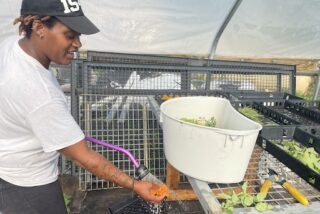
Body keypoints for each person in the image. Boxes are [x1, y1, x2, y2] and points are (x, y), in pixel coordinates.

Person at [0, 0, 166, 213]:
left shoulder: (11, 46)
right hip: (27, 184)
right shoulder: (40, 93)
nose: (78, 44)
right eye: (70, 35)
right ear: (39, 27)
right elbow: (85, 158)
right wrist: (135, 185)